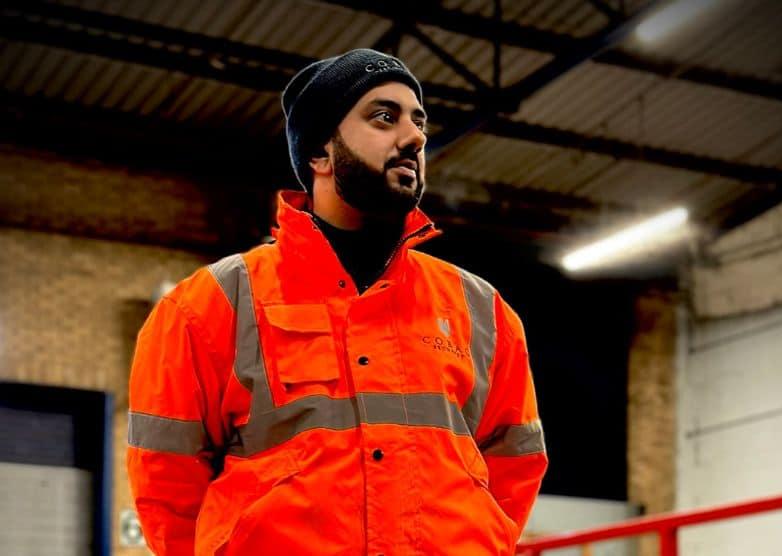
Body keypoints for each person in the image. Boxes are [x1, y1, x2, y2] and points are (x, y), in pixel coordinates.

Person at [127, 48, 547, 556]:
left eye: (419, 122)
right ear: (319, 154)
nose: (414, 137)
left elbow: (512, 472)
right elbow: (167, 489)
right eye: (383, 117)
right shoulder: (212, 305)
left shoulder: (482, 312)